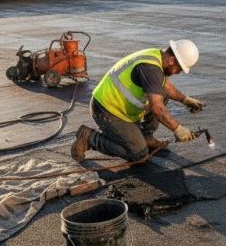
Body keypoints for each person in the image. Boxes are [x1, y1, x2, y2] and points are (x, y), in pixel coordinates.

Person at [71, 39, 206, 162]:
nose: (178, 72)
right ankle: (89, 138)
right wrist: (178, 129)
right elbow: (157, 108)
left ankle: (146, 137)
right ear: (171, 60)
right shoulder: (151, 68)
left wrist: (185, 99)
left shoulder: (157, 57)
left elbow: (166, 86)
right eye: (179, 69)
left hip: (121, 108)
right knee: (138, 154)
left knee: (162, 94)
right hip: (107, 110)